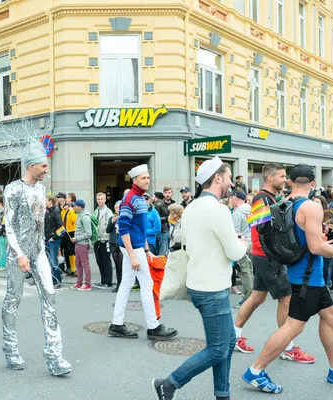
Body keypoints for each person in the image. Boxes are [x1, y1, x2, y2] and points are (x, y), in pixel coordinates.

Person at [242, 164, 333, 394]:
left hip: (301, 271)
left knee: (329, 315)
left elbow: (301, 242)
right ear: (313, 182)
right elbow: (316, 247)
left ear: (290, 181)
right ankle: (256, 370)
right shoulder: (311, 206)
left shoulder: (283, 203)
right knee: (293, 327)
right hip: (307, 277)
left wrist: (322, 246)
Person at [152, 157, 246, 400]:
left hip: (200, 284)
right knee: (218, 348)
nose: (230, 183)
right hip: (213, 287)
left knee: (227, 342)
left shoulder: (192, 207)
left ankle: (222, 394)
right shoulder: (218, 210)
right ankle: (169, 383)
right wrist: (242, 242)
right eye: (227, 177)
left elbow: (203, 241)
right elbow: (235, 252)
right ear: (217, 178)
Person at [0, 123, 71, 376]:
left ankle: (55, 357)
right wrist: (19, 253)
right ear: (32, 165)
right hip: (16, 254)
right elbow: (8, 225)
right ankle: (10, 349)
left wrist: (40, 250)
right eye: (43, 166)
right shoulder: (13, 189)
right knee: (13, 300)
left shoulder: (41, 190)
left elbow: (39, 225)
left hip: (38, 251)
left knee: (50, 298)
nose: (46, 170)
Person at [232, 163, 315, 364]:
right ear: (270, 178)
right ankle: (287, 347)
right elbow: (262, 229)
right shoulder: (262, 198)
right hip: (267, 257)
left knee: (257, 298)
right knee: (285, 298)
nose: (285, 180)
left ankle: (234, 336)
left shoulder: (267, 197)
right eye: (282, 176)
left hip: (264, 256)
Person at [108, 164, 177, 341]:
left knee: (126, 284)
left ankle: (117, 324)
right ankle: (153, 327)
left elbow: (140, 228)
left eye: (148, 177)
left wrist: (147, 250)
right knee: (146, 284)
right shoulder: (130, 199)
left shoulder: (139, 198)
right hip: (133, 247)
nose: (147, 180)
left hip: (137, 247)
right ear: (135, 180)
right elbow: (123, 228)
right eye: (143, 178)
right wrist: (133, 255)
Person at [70, 199, 93, 291]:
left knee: (85, 264)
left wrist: (76, 238)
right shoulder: (80, 215)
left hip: (82, 244)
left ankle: (87, 284)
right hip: (79, 244)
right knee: (78, 264)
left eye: (74, 206)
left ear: (79, 207)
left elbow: (89, 233)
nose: (73, 207)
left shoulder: (85, 217)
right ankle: (79, 283)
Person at [93, 192, 114, 289]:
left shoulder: (108, 212)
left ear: (105, 200)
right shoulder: (96, 211)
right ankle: (102, 280)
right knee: (99, 261)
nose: (100, 201)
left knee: (106, 261)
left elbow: (109, 226)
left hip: (104, 240)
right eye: (98, 199)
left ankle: (108, 282)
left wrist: (104, 238)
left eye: (102, 199)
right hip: (97, 240)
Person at [44, 195, 63, 288]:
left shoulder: (55, 211)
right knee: (49, 261)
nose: (45, 202)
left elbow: (61, 227)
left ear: (50, 201)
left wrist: (54, 237)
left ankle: (58, 281)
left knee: (54, 261)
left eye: (46, 200)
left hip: (53, 240)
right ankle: (52, 280)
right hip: (47, 239)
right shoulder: (46, 211)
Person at [107, 201, 123, 293]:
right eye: (116, 207)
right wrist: (112, 222)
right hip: (113, 243)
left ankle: (123, 284)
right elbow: (108, 230)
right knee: (117, 265)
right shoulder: (111, 218)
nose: (118, 209)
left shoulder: (124, 218)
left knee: (121, 265)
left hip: (121, 243)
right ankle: (118, 283)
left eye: (119, 207)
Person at [60, 193, 77, 276]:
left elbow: (74, 219)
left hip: (72, 231)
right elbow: (62, 218)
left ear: (71, 199)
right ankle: (69, 268)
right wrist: (64, 209)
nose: (66, 199)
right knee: (67, 250)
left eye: (67, 198)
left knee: (71, 251)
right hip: (65, 231)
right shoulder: (66, 208)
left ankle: (74, 269)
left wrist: (70, 211)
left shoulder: (74, 208)